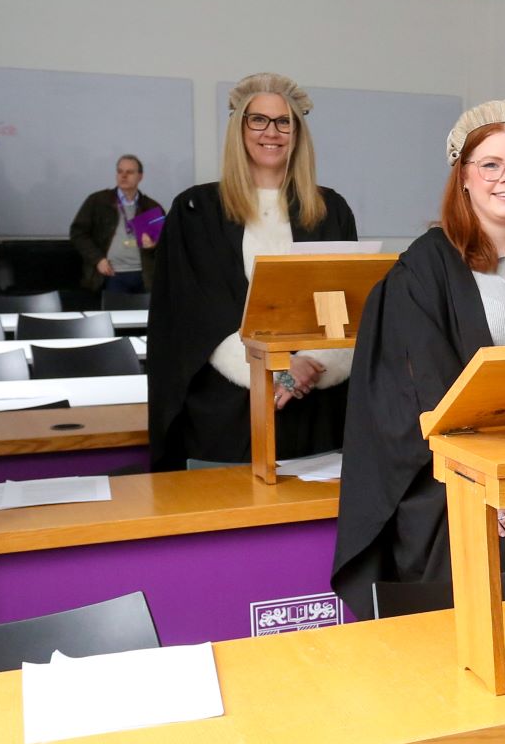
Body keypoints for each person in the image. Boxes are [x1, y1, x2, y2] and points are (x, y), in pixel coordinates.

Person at [333, 101, 505, 619]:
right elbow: (422, 395)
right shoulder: (425, 270)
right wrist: (485, 478)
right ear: (463, 177)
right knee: (477, 653)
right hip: (470, 496)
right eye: (491, 165)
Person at [148, 73, 358, 469]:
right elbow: (197, 313)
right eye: (258, 120)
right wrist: (276, 369)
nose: (272, 132)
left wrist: (307, 369)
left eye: (284, 121)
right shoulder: (196, 211)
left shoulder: (330, 210)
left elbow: (342, 305)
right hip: (226, 408)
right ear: (239, 127)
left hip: (314, 402)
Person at [69, 154, 163, 296]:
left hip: (145, 276)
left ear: (140, 176)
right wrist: (98, 259)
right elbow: (78, 233)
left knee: (146, 318)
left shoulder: (151, 207)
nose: (123, 176)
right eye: (120, 171)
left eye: (129, 172)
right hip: (112, 275)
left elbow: (166, 241)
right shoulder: (98, 201)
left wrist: (154, 244)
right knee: (114, 316)